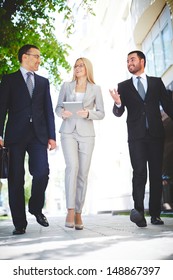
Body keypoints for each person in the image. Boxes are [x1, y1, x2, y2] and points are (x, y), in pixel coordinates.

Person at [110, 50, 173, 227]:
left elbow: (168, 105)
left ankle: (155, 214)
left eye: (132, 59)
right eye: (127, 61)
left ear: (142, 61)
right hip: (136, 137)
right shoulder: (123, 86)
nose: (129, 63)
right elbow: (118, 112)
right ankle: (138, 212)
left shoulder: (156, 82)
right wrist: (117, 102)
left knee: (155, 174)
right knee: (139, 173)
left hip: (156, 135)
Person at [0, 44, 57, 235]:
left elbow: (48, 111)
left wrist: (52, 136)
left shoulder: (43, 82)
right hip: (15, 135)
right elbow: (1, 109)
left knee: (42, 172)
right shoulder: (9, 80)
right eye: (36, 56)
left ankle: (35, 206)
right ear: (25, 57)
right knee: (16, 178)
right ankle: (19, 223)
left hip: (38, 135)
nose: (39, 60)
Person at [55, 57, 105, 230]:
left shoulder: (96, 89)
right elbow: (58, 107)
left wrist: (88, 113)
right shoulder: (66, 86)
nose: (77, 68)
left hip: (87, 134)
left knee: (83, 173)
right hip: (68, 131)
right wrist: (63, 113)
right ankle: (70, 210)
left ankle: (78, 212)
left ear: (87, 68)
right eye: (75, 66)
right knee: (72, 167)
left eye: (81, 65)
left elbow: (101, 113)